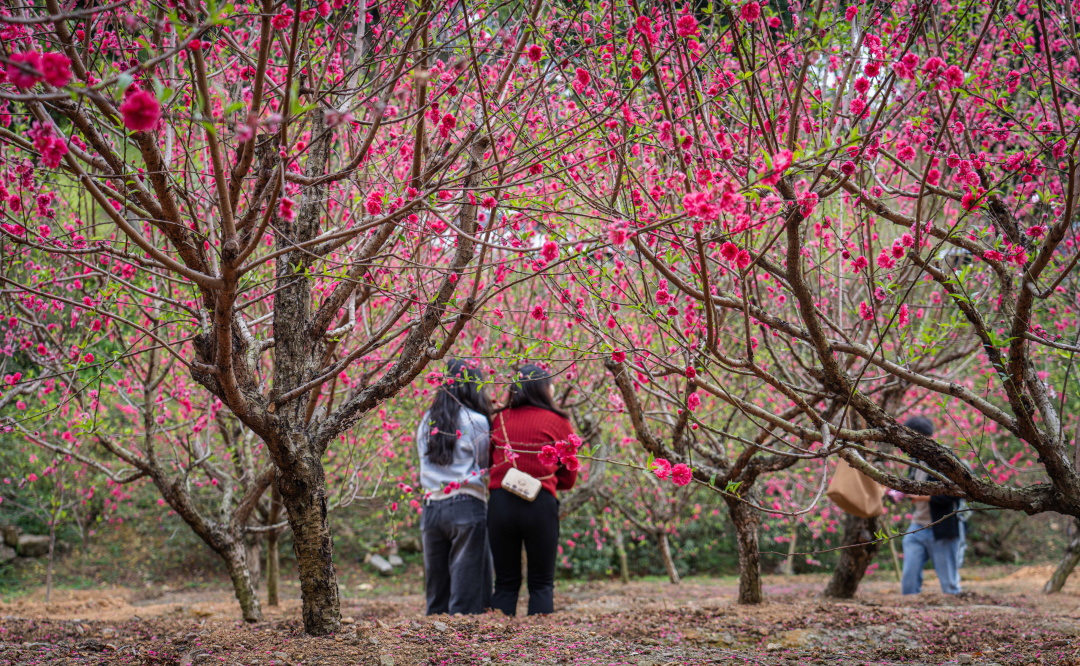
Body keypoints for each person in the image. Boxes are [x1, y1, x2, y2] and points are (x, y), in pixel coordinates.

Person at [487, 364, 579, 616]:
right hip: (540, 504)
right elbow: (569, 479)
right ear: (543, 389)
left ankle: (495, 643)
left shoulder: (500, 419)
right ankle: (540, 645)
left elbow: (489, 461)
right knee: (541, 584)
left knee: (505, 583)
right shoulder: (559, 422)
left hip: (500, 503)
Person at [415, 359, 493, 615]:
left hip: (431, 508)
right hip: (467, 506)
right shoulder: (477, 421)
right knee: (466, 591)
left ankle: (433, 646)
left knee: (437, 592)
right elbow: (483, 466)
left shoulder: (426, 421)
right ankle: (463, 649)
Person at [900, 416, 964, 595]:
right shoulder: (915, 461)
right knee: (908, 579)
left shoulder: (946, 459)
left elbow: (956, 492)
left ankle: (955, 613)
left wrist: (924, 497)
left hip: (941, 527)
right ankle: (910, 609)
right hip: (917, 526)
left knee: (949, 584)